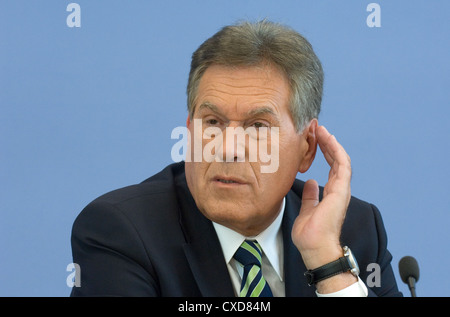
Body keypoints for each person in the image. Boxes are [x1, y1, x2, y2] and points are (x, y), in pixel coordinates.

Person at [70, 20, 402, 297]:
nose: (227, 148)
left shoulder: (353, 229)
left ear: (307, 147)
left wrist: (328, 263)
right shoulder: (122, 233)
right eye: (212, 123)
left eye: (257, 127)